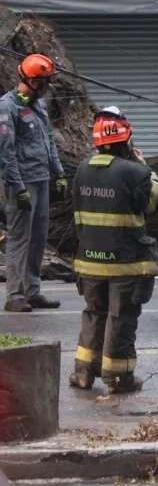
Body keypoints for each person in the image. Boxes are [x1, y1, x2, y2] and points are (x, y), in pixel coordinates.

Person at [70, 107, 158, 394]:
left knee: (93, 313)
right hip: (125, 264)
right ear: (126, 140)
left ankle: (84, 374)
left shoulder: (82, 170)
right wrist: (148, 170)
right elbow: (154, 204)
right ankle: (118, 378)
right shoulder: (135, 172)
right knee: (121, 317)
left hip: (88, 261)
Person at [1, 53, 67, 313]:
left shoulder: (37, 104)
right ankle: (14, 295)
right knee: (19, 238)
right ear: (34, 81)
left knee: (38, 237)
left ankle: (33, 290)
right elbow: (5, 153)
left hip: (41, 179)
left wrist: (59, 171)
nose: (48, 86)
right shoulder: (7, 107)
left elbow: (48, 140)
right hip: (22, 183)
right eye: (45, 82)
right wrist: (17, 188)